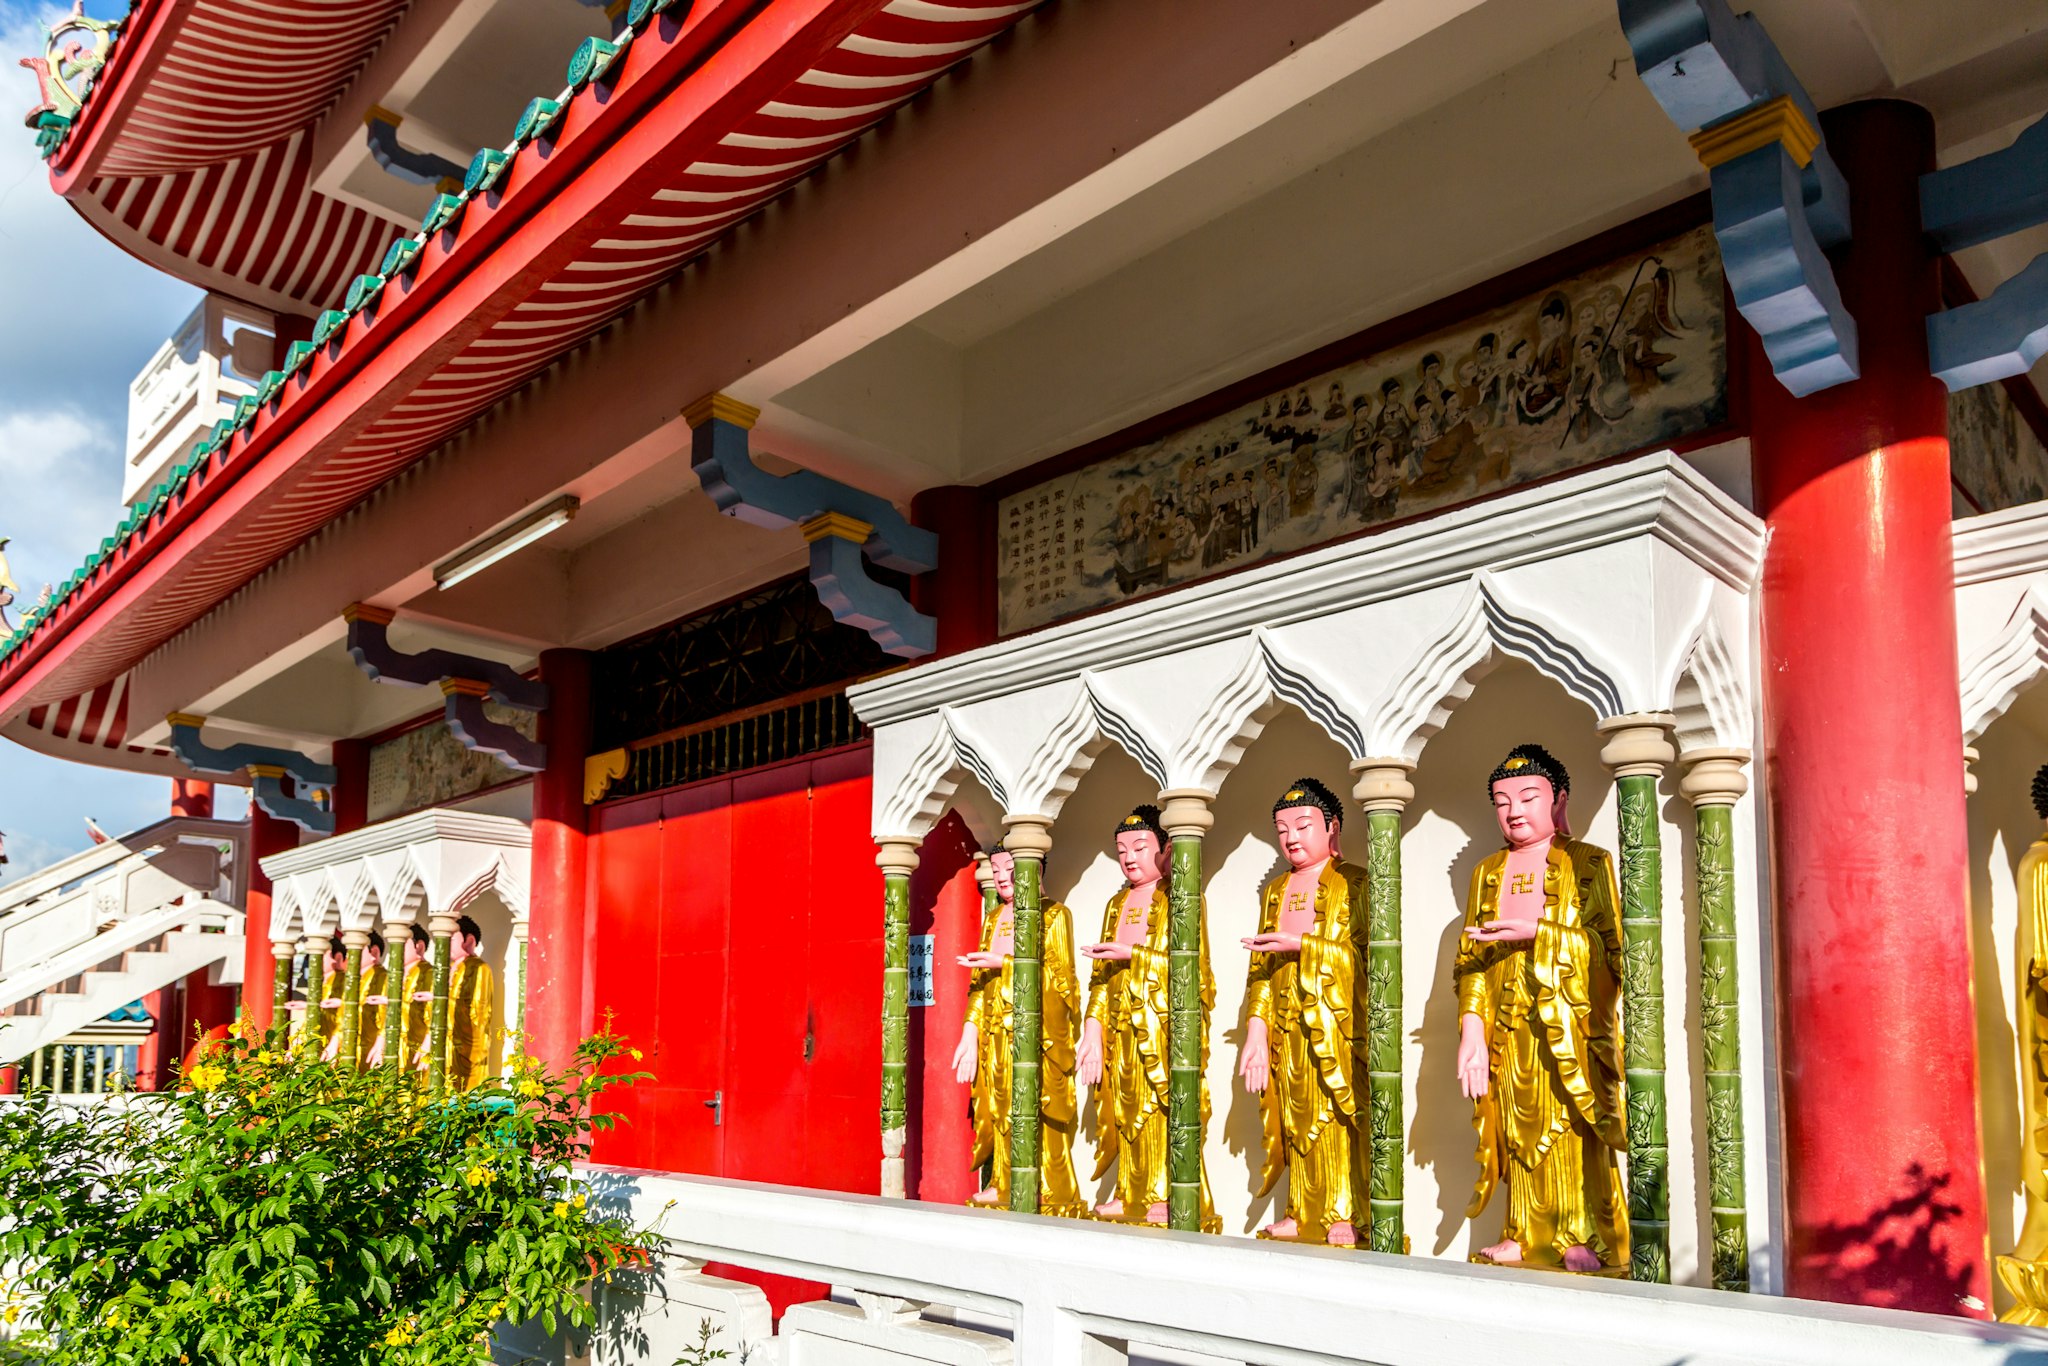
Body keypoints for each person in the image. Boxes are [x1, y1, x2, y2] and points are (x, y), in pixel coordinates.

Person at [1454, 744, 1628, 1272]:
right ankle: (1522, 1230)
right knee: (1516, 1125)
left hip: (1570, 1019)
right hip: (1507, 1022)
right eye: (1502, 801)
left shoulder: (1589, 863)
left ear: (1559, 801)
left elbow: (1613, 952)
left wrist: (1540, 934)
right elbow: (1472, 960)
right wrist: (1472, 1029)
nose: (1514, 810)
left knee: (1573, 1125)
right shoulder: (1487, 871)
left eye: (1529, 796)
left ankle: (1584, 1233)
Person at [1241, 779, 1370, 1246]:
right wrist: (1256, 1032)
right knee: (1295, 1115)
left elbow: (1369, 958)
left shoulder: (1355, 882)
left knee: (1337, 1113)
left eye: (1302, 825)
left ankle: (1346, 1210)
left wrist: (1304, 946)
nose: (1291, 837)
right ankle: (1301, 1207)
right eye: (1281, 829)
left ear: (1332, 827)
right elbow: (1259, 967)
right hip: (1285, 1022)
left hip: (1336, 1023)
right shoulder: (1276, 891)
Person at [1078, 807, 1216, 1229]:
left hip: (1161, 1027)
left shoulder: (1181, 898)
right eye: (1121, 850)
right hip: (1120, 1024)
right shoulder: (1116, 904)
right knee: (1125, 1106)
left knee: (1161, 1106)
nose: (1129, 858)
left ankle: (1166, 1189)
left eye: (1140, 848)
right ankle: (1130, 1189)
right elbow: (1100, 978)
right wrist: (1093, 1030)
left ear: (1165, 849)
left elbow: (1193, 969)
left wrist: (1133, 956)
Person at [952, 844, 1083, 1215]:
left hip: (1035, 1034)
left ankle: (1047, 1185)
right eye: (994, 869)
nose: (1000, 876)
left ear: (1036, 868)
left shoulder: (1054, 914)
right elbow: (979, 983)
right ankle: (1004, 1181)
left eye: (1009, 867)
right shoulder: (993, 918)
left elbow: (1061, 982)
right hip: (996, 1028)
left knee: (1037, 1104)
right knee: (999, 1105)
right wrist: (969, 1033)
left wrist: (1006, 964)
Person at [446, 914, 497, 1091]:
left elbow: (479, 1011)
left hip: (467, 1043)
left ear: (469, 940)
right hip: (448, 1042)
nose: (446, 944)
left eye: (451, 939)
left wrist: (446, 999)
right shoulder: (453, 969)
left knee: (466, 1093)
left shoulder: (480, 968)